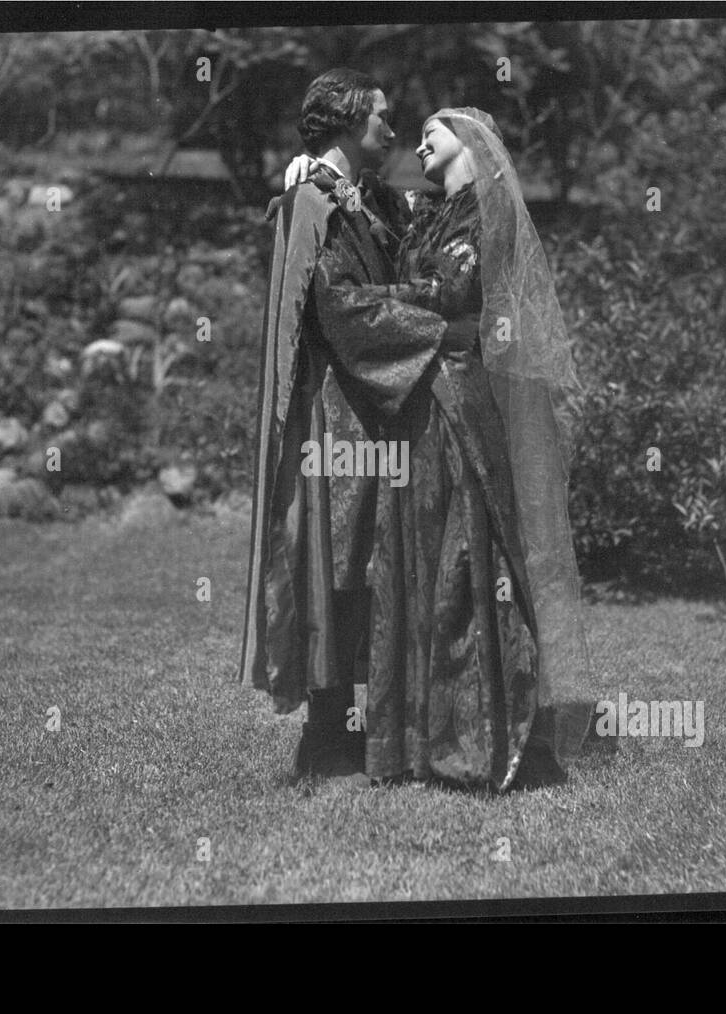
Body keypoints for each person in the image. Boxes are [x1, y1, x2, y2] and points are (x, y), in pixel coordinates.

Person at [285, 107, 594, 791]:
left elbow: (450, 291)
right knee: (420, 558)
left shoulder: (484, 211)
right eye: (408, 126)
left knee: (466, 557)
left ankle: (482, 734)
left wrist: (365, 301)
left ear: (473, 144)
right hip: (425, 400)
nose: (416, 138)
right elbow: (378, 216)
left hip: (457, 400)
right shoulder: (430, 210)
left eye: (434, 129)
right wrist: (317, 175)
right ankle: (420, 736)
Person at [238, 70, 451, 784]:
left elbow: (428, 235)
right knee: (332, 564)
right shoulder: (312, 202)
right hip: (336, 413)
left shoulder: (366, 197)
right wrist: (436, 328)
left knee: (367, 563)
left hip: (369, 409)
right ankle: (327, 735)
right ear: (346, 122)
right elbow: (336, 308)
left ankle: (371, 724)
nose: (392, 130)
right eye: (381, 118)